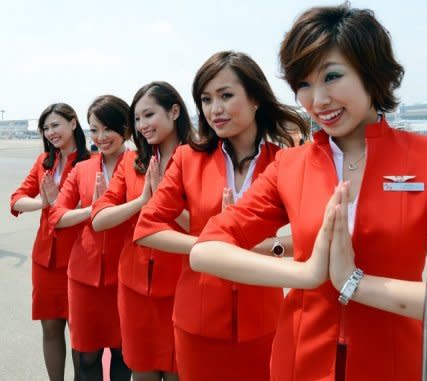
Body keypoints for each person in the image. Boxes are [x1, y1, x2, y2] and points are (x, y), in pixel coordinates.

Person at [190, 5, 427, 381]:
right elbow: (205, 250)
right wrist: (307, 274)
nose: (318, 100)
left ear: (370, 72)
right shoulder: (289, 166)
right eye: (304, 85)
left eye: (332, 76)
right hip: (298, 364)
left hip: (394, 364)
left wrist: (355, 284)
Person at [133, 51, 308, 381]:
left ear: (255, 97)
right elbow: (147, 228)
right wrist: (214, 246)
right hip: (198, 320)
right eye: (206, 99)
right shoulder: (188, 158)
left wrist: (267, 247)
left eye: (226, 96)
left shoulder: (287, 161)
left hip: (264, 320)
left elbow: (310, 233)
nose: (215, 109)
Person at [91, 82, 191, 381]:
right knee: (142, 374)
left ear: (174, 111)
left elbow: (211, 227)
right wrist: (141, 201)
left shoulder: (198, 159)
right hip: (134, 289)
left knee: (178, 373)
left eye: (149, 115)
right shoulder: (131, 163)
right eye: (137, 118)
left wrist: (166, 201)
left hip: (181, 289)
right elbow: (99, 218)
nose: (142, 125)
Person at [48, 95, 132, 381]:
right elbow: (56, 217)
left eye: (108, 128)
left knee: (124, 354)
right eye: (94, 129)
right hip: (84, 278)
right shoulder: (82, 169)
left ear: (126, 128)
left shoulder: (141, 166)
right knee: (86, 356)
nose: (101, 137)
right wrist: (91, 211)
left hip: (126, 278)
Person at [10, 103, 89, 381]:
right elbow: (16, 199)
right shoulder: (44, 161)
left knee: (82, 336)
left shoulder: (91, 161)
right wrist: (42, 202)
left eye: (56, 125)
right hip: (45, 260)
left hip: (80, 259)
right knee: (51, 329)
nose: (50, 132)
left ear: (73, 123)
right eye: (45, 128)